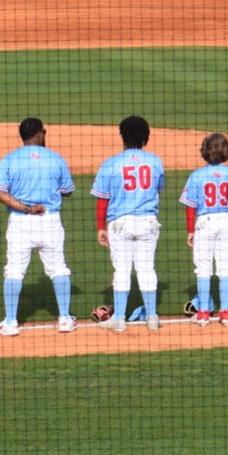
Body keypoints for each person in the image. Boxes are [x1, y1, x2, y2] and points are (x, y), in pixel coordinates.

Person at [0, 118, 77, 336]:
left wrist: (26, 208)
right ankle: (65, 319)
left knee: (14, 270)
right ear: (39, 134)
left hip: (21, 221)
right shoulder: (56, 159)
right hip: (50, 220)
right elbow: (68, 190)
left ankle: (10, 323)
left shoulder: (10, 159)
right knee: (58, 268)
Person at [91, 115, 165, 332]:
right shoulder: (155, 162)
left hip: (120, 223)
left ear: (122, 136)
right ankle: (152, 317)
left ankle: (120, 320)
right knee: (147, 269)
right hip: (148, 222)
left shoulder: (111, 163)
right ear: (146, 137)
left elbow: (102, 199)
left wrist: (100, 227)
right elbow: (158, 189)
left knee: (121, 271)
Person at [181, 133, 228, 326]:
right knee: (226, 268)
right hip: (225, 221)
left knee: (203, 269)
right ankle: (225, 312)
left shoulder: (197, 175)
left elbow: (190, 205)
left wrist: (190, 231)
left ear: (205, 152)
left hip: (204, 223)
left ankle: (202, 314)